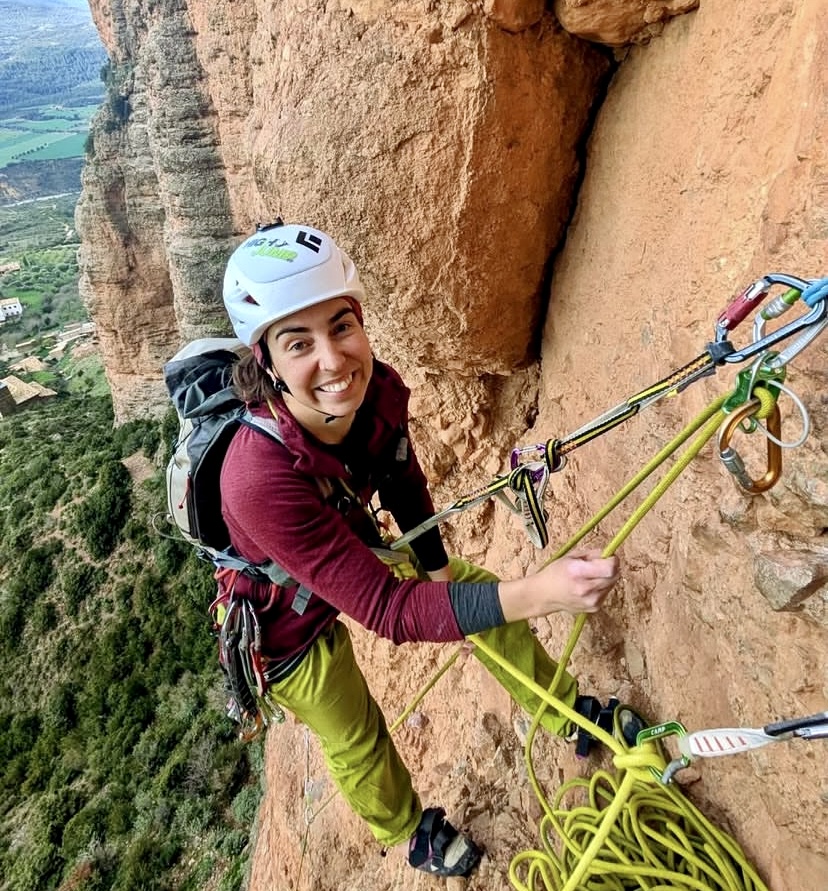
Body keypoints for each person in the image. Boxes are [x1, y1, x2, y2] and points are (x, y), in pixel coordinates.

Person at [218, 221, 623, 878]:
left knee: (475, 593)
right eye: (299, 342)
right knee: (351, 728)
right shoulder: (253, 475)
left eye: (342, 326)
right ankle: (412, 831)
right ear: (265, 360)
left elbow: (402, 478)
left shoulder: (379, 389)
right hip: (282, 616)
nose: (333, 359)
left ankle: (566, 713)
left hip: (345, 546)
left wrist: (437, 571)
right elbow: (387, 609)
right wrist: (540, 592)